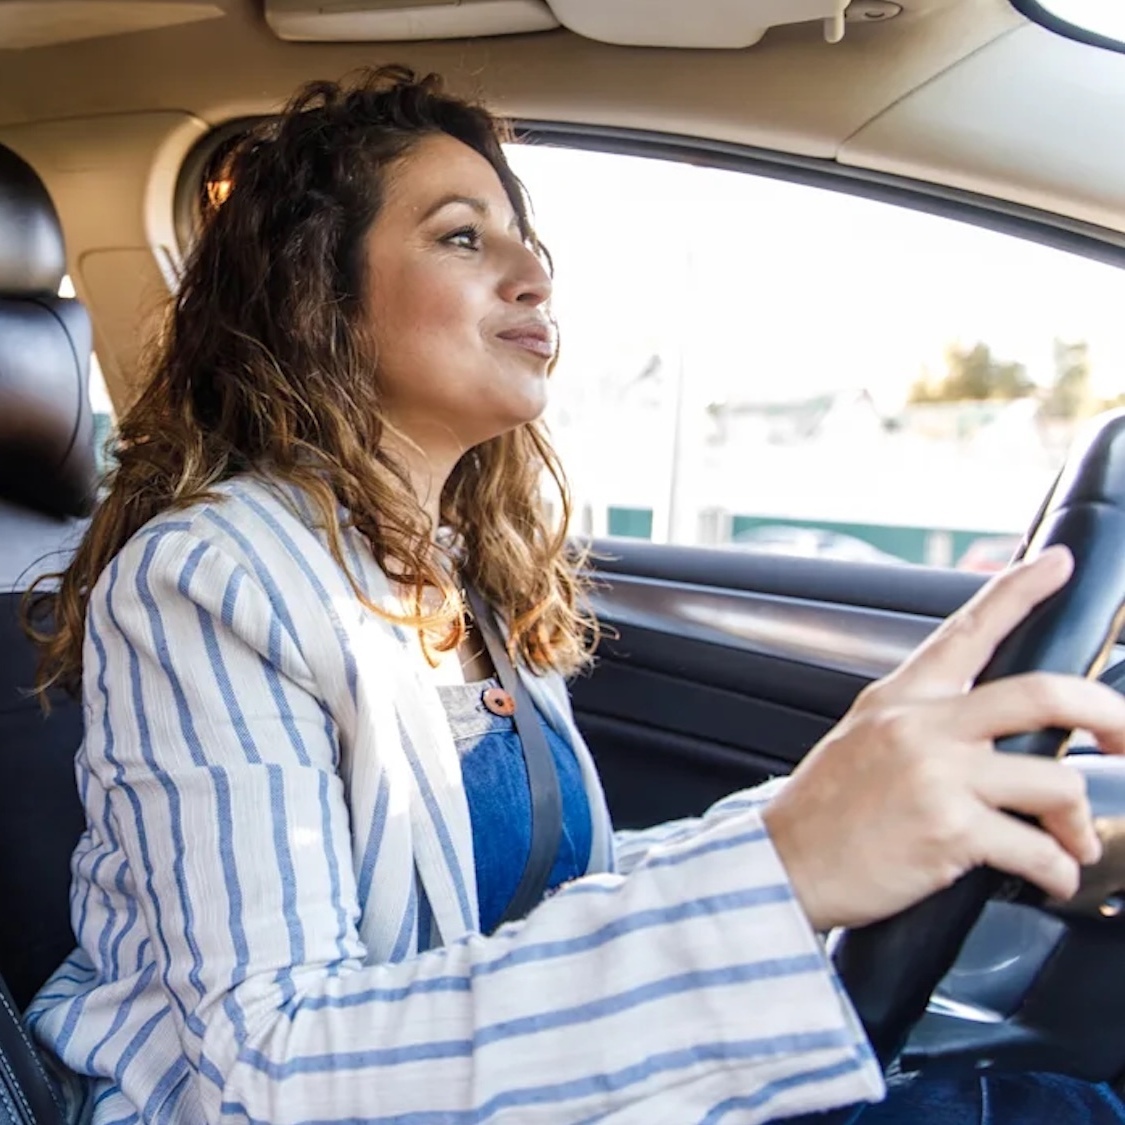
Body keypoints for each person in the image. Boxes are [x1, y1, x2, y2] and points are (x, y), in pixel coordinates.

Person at [22, 66, 1125, 1124]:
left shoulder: (460, 570)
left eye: (527, 240)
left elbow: (543, 906)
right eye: (463, 237)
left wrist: (819, 815)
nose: (533, 277)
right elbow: (270, 1074)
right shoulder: (207, 579)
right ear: (320, 293)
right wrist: (782, 867)